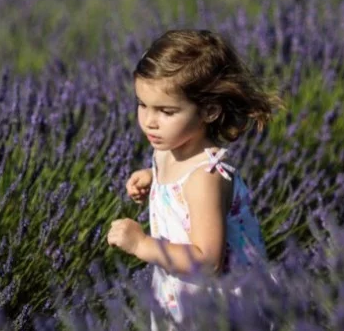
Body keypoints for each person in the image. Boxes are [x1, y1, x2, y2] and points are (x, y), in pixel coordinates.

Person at [106, 29, 284, 330]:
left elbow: (207, 261)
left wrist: (141, 244)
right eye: (142, 104)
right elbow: (176, 188)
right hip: (179, 295)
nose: (149, 120)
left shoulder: (205, 178)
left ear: (209, 111)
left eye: (166, 111)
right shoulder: (167, 149)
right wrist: (153, 180)